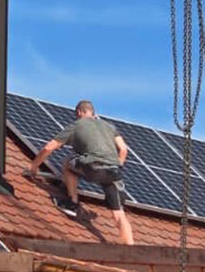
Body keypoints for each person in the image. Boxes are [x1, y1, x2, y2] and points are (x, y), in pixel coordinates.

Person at [28, 99, 135, 245]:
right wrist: (118, 166)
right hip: (113, 171)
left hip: (92, 166)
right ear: (93, 112)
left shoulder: (77, 125)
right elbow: (123, 149)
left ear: (79, 112)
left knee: (67, 164)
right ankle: (129, 245)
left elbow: (49, 147)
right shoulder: (109, 127)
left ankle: (72, 203)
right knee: (119, 213)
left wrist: (34, 166)